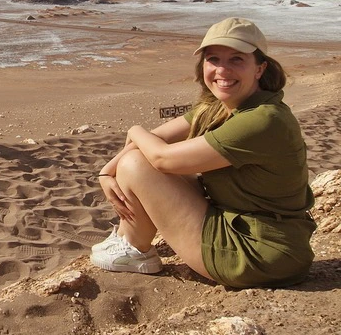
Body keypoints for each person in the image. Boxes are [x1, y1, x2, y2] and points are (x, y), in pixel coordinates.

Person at [90, 17, 316, 288]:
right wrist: (106, 172)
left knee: (136, 164)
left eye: (236, 59)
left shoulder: (263, 119)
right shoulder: (221, 106)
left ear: (260, 68)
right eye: (213, 59)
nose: (222, 69)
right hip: (255, 233)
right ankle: (129, 240)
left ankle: (134, 249)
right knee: (139, 158)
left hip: (259, 254)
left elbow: (161, 157)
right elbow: (158, 138)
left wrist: (134, 129)